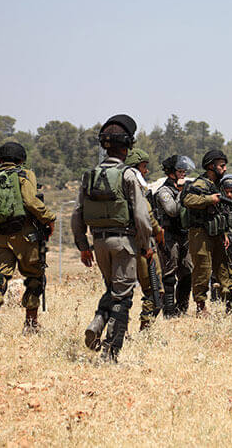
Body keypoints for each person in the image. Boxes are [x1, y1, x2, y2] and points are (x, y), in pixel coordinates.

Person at [72, 114, 151, 362]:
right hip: (124, 243)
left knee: (112, 289)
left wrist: (83, 246)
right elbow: (141, 216)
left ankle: (98, 322)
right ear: (126, 148)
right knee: (123, 297)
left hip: (99, 243)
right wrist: (146, 245)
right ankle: (110, 353)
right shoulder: (128, 175)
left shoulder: (89, 175)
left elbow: (77, 214)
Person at [0, 142, 56, 334]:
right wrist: (49, 217)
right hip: (25, 236)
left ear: (0, 160)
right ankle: (31, 325)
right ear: (21, 159)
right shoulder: (25, 175)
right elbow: (30, 201)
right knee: (35, 277)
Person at [181, 150, 232, 314]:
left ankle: (230, 303)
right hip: (200, 233)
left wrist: (224, 233)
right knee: (202, 269)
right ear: (211, 166)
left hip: (216, 232)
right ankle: (200, 306)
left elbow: (219, 212)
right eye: (221, 166)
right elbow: (187, 200)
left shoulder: (215, 185)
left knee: (224, 267)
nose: (225, 169)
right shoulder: (200, 184)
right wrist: (209, 199)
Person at [124, 148, 166, 329]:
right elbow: (146, 214)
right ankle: (146, 328)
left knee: (120, 292)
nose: (146, 171)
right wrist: (157, 231)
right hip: (142, 244)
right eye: (143, 167)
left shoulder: (119, 187)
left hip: (121, 245)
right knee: (154, 290)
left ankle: (118, 329)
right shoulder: (136, 187)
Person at [154, 154, 194, 317]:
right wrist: (182, 192)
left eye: (184, 170)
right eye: (180, 170)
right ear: (171, 172)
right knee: (169, 274)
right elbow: (172, 210)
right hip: (169, 235)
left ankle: (182, 308)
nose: (184, 173)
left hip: (185, 235)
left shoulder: (182, 188)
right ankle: (169, 312)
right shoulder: (164, 191)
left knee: (187, 272)